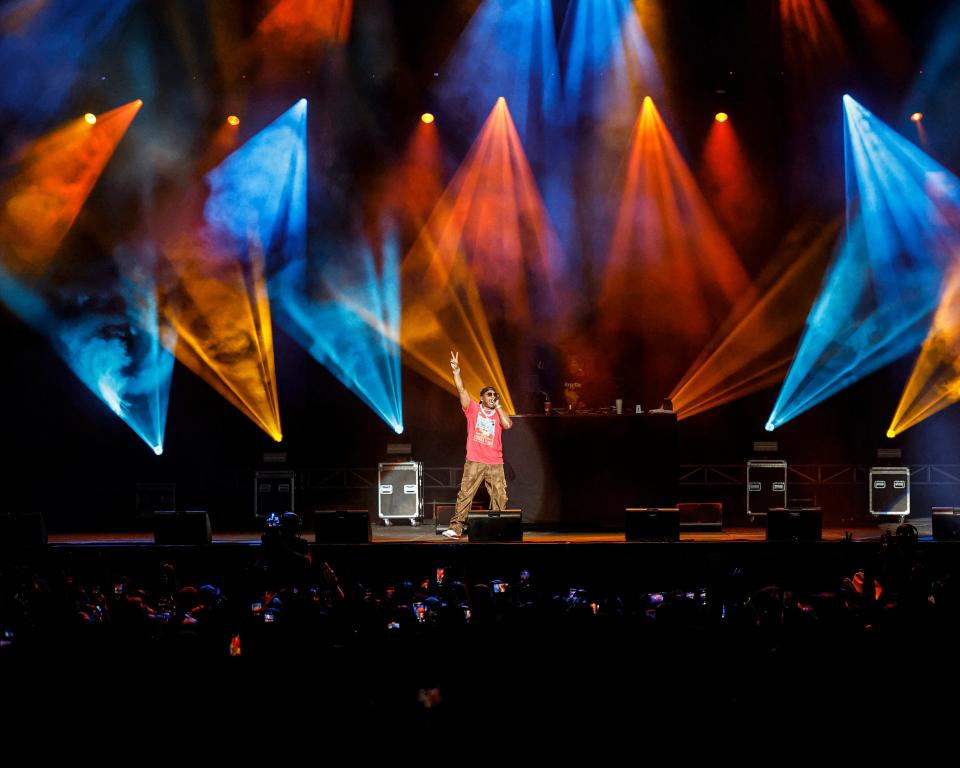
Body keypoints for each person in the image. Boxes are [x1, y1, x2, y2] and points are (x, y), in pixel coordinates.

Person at [443, 351, 512, 540]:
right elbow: (461, 390)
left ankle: (500, 529)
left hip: (495, 462)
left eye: (494, 395)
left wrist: (498, 406)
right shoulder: (473, 409)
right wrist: (456, 371)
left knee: (500, 497)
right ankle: (455, 528)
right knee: (466, 494)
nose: (492, 397)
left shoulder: (498, 412)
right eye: (489, 395)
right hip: (474, 460)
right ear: (481, 397)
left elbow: (508, 425)